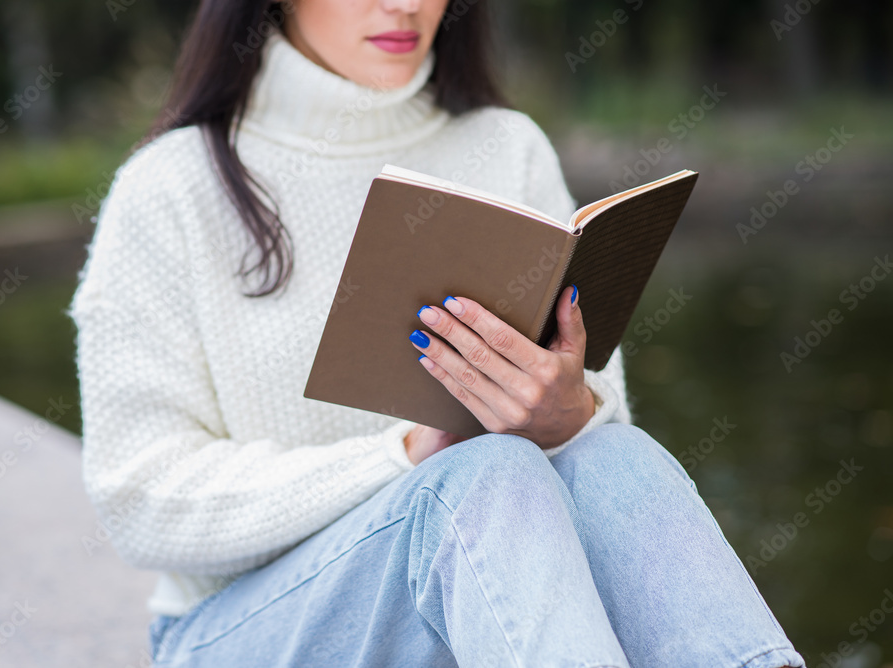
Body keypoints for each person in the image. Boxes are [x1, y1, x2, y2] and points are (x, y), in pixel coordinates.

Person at [68, 0, 807, 665]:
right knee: (478, 478)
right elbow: (139, 498)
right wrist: (402, 456)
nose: (405, 5)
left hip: (484, 588)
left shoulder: (506, 146)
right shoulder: (168, 188)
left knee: (613, 453)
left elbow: (599, 403)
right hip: (242, 626)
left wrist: (567, 411)